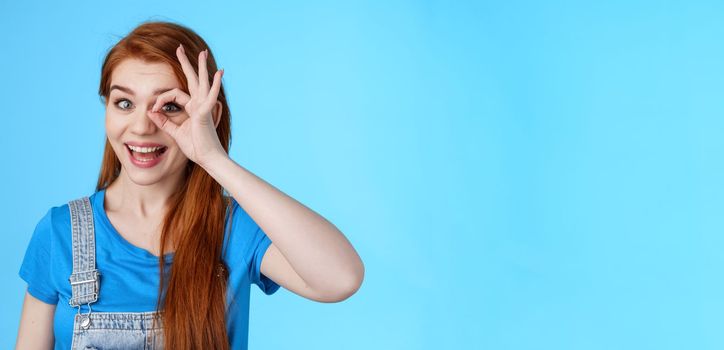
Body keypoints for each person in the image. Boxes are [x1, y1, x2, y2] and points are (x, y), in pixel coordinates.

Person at [15, 20, 365, 350]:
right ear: (107, 108)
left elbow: (340, 278)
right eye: (124, 103)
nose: (141, 127)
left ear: (209, 116)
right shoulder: (59, 233)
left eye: (169, 106)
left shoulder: (231, 228)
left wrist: (213, 158)